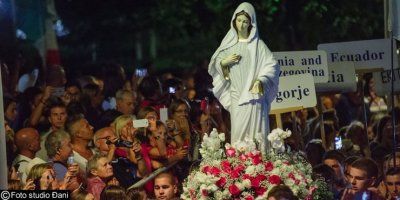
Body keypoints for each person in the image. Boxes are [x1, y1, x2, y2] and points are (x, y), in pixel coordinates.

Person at [208, 2, 279, 154]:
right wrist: (224, 63)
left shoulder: (258, 46)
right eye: (239, 20)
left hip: (254, 98)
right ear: (234, 21)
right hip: (237, 95)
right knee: (238, 133)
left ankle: (260, 165)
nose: (241, 25)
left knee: (257, 134)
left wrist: (261, 80)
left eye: (245, 21)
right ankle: (240, 165)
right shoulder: (228, 45)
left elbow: (272, 65)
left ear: (251, 23)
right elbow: (216, 64)